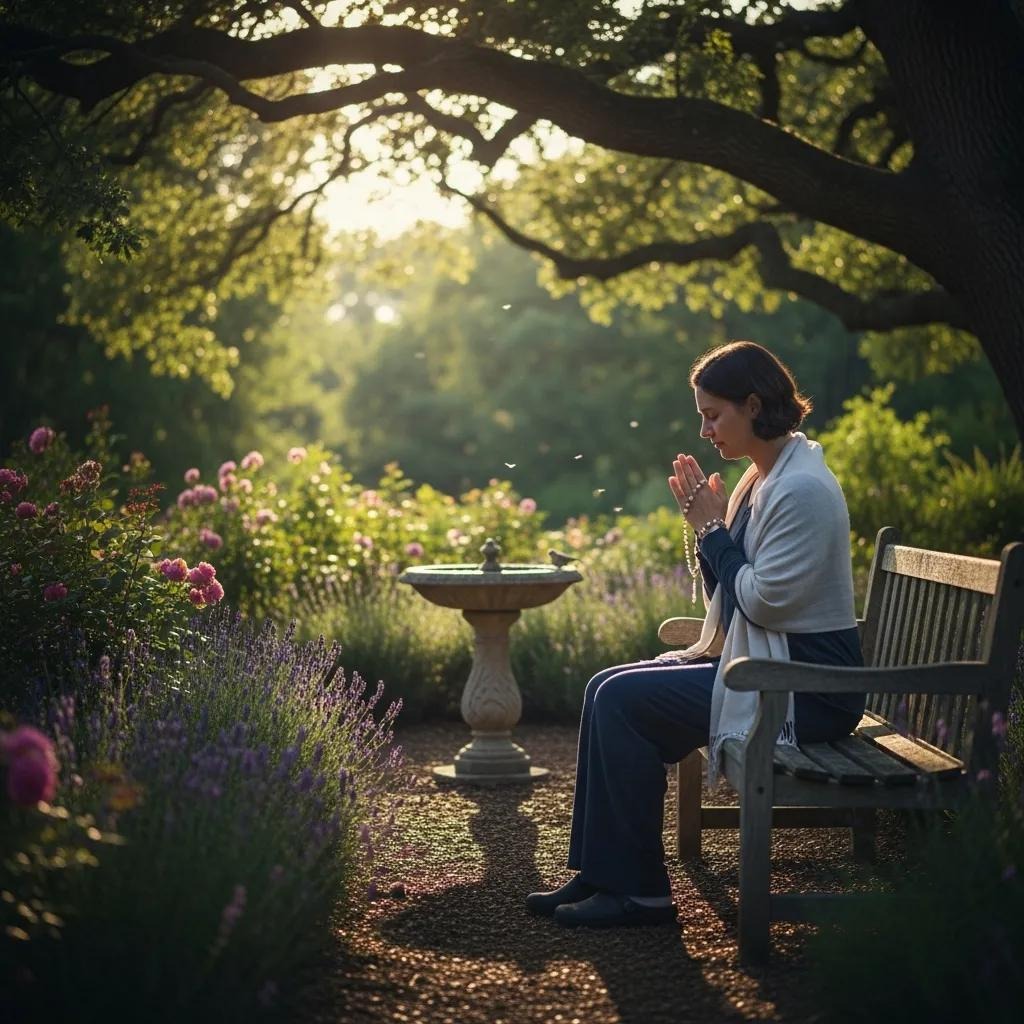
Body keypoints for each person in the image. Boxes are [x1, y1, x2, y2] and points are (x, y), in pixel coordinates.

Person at [526, 340, 864, 929]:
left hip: (809, 690)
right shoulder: (762, 479)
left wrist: (712, 530)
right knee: (606, 685)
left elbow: (760, 600)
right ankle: (603, 871)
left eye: (714, 414)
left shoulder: (801, 490)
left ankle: (641, 894)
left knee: (624, 703)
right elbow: (732, 597)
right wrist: (706, 529)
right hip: (769, 665)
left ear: (753, 406)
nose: (705, 429)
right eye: (701, 415)